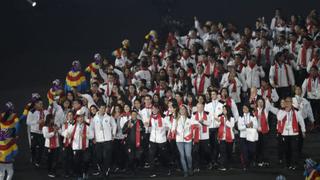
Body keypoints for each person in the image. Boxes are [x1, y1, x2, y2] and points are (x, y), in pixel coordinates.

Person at [277, 96, 306, 170]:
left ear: (291, 103)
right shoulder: (281, 111)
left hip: (294, 133)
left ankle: (295, 164)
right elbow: (279, 118)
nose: (287, 103)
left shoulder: (296, 112)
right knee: (286, 150)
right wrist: (286, 111)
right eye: (286, 101)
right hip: (285, 133)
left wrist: (303, 131)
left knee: (294, 149)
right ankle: (287, 164)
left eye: (289, 101)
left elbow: (301, 121)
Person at [172, 104, 200, 177]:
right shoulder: (176, 119)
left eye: (183, 109)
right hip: (179, 140)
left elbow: (198, 124)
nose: (182, 110)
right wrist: (174, 130)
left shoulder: (190, 119)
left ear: (186, 110)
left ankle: (190, 168)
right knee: (182, 156)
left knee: (188, 155)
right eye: (181, 109)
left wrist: (196, 126)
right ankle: (185, 171)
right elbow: (172, 128)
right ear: (179, 111)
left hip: (188, 140)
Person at [91, 102, 116, 177]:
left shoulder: (109, 117)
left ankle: (106, 170)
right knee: (99, 157)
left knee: (107, 156)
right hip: (98, 140)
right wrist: (93, 137)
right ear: (98, 108)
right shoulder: (94, 118)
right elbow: (91, 129)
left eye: (104, 108)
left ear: (106, 109)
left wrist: (113, 135)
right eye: (101, 108)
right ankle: (102, 169)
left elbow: (114, 125)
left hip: (108, 140)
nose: (103, 110)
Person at [67, 109, 94, 179]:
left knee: (86, 161)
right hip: (76, 147)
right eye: (79, 117)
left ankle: (85, 172)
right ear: (77, 118)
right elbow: (66, 132)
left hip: (85, 147)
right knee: (77, 163)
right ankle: (79, 175)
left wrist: (86, 136)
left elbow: (92, 136)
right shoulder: (73, 126)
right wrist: (68, 135)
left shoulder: (88, 126)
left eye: (82, 117)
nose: (80, 118)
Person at [146, 104, 172, 178]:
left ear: (158, 109)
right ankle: (152, 172)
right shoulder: (150, 117)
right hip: (152, 139)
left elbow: (170, 126)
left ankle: (167, 169)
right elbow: (148, 126)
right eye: (152, 109)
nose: (154, 110)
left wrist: (168, 134)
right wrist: (147, 125)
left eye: (155, 109)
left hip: (162, 140)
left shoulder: (164, 117)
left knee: (163, 156)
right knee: (151, 156)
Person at [122, 109, 146, 174]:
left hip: (138, 143)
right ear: (131, 115)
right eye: (132, 114)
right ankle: (131, 169)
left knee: (138, 156)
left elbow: (144, 129)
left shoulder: (140, 122)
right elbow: (123, 131)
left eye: (135, 114)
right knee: (131, 157)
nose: (134, 115)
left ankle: (136, 168)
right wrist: (128, 127)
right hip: (130, 143)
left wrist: (142, 130)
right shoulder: (128, 122)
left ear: (137, 115)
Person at [26, 98, 48, 167]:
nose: (42, 105)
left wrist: (45, 122)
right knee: (33, 146)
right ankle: (33, 157)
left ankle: (38, 161)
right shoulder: (32, 112)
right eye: (40, 104)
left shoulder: (45, 112)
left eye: (42, 104)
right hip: (34, 132)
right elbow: (28, 122)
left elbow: (48, 119)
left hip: (42, 132)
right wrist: (37, 122)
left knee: (41, 147)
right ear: (36, 104)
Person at [0, 102, 19, 180]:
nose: (12, 111)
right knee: (10, 172)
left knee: (1, 173)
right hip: (8, 160)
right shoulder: (12, 143)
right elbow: (15, 151)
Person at [192, 103, 213, 171]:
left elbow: (209, 123)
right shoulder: (193, 114)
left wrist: (203, 121)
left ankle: (209, 162)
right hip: (196, 136)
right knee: (195, 151)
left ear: (203, 107)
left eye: (201, 107)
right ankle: (196, 166)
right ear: (196, 108)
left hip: (205, 136)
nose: (199, 109)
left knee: (206, 151)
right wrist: (197, 124)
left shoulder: (207, 114)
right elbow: (192, 123)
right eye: (198, 107)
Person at [238, 104, 258, 170]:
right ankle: (245, 165)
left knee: (251, 150)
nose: (245, 109)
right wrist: (246, 126)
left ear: (248, 108)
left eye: (246, 108)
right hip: (243, 137)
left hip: (251, 136)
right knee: (244, 151)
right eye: (243, 108)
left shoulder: (252, 116)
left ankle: (251, 161)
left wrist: (252, 125)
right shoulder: (240, 117)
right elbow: (239, 127)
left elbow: (256, 126)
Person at [215, 105, 235, 171]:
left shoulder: (231, 118)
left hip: (230, 137)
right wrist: (218, 121)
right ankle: (222, 165)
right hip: (222, 137)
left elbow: (231, 125)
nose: (224, 111)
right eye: (223, 109)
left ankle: (229, 165)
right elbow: (216, 125)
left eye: (225, 109)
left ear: (228, 110)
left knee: (229, 152)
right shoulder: (220, 117)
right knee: (222, 151)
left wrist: (225, 121)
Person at [60, 110, 75, 178]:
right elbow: (62, 132)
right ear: (67, 116)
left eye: (71, 115)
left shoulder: (75, 123)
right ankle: (65, 172)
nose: (70, 116)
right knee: (65, 158)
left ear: (73, 116)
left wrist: (71, 135)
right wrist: (66, 134)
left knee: (72, 158)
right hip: (65, 143)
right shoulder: (64, 124)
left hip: (73, 143)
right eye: (68, 115)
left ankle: (72, 171)